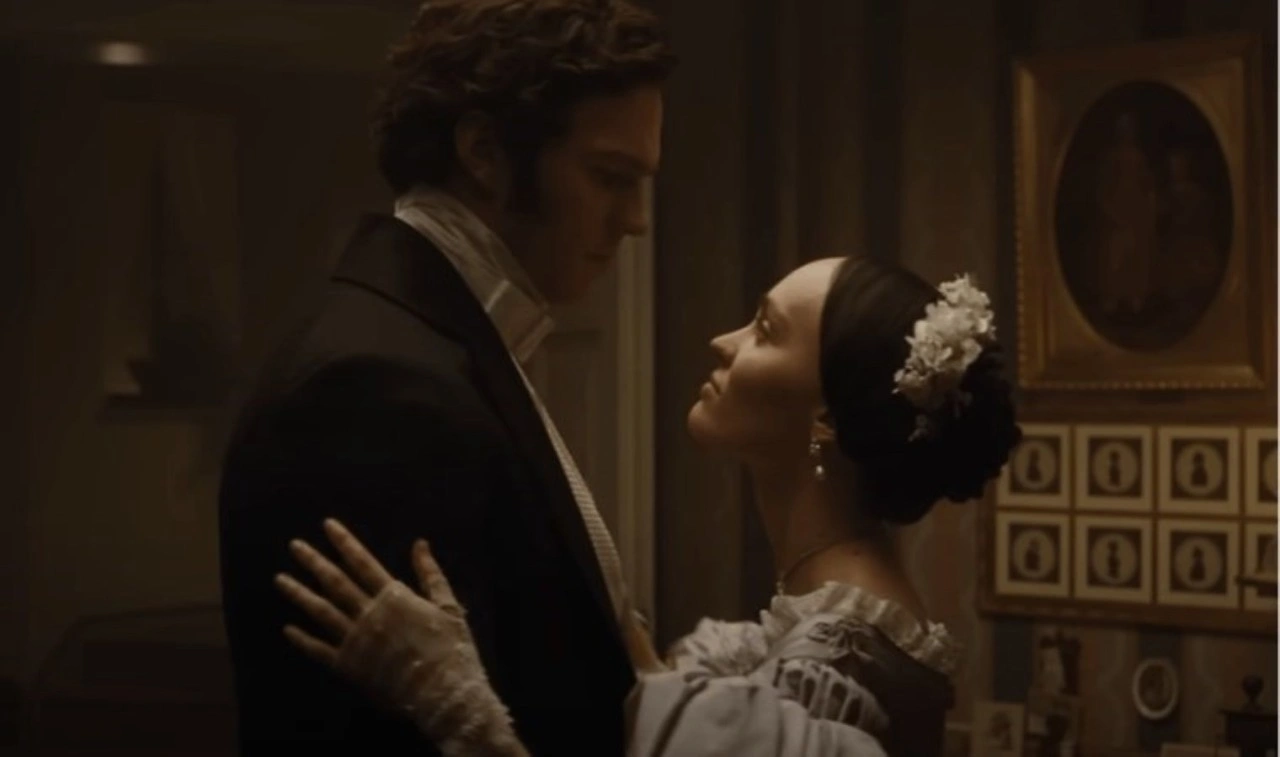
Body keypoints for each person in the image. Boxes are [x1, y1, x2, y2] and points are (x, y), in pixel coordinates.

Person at [275, 257, 1023, 756]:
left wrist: (455, 706)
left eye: (766, 331)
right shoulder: (836, 620)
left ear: (825, 417)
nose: (723, 341)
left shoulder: (838, 663)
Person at [216, 1, 675, 754]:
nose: (637, 220)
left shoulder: (443, 342)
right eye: (609, 176)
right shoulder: (377, 386)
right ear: (484, 151)